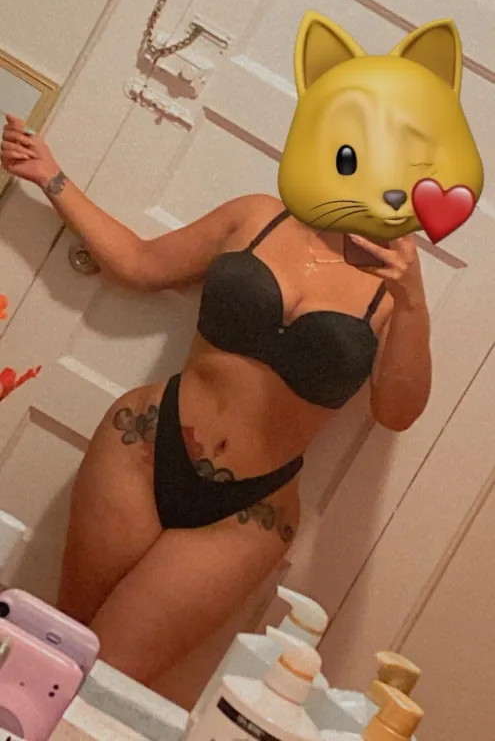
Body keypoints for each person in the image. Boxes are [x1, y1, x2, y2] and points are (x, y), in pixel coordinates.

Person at [0, 114, 431, 692]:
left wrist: (413, 301)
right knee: (55, 649)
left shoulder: (394, 291)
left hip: (248, 513)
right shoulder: (255, 216)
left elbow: (398, 412)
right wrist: (50, 176)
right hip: (141, 448)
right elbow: (140, 263)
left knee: (106, 684)